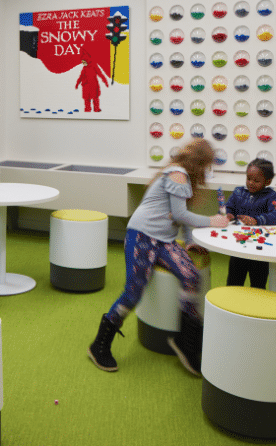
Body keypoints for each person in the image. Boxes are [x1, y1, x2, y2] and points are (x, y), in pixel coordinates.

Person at [87, 139, 228, 375]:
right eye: (206, 166)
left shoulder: (184, 178)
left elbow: (178, 217)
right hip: (141, 235)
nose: (207, 172)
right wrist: (213, 221)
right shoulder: (178, 175)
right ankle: (99, 344)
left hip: (164, 240)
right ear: (199, 163)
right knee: (134, 291)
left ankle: (186, 341)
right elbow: (182, 213)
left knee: (191, 276)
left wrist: (191, 241)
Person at [224, 158, 276, 289]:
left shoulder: (272, 197)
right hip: (238, 246)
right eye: (248, 178)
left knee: (258, 286)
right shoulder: (238, 192)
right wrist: (228, 214)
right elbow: (229, 207)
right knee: (233, 284)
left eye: (256, 181)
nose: (251, 183)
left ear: (268, 181)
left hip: (260, 249)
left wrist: (257, 220)